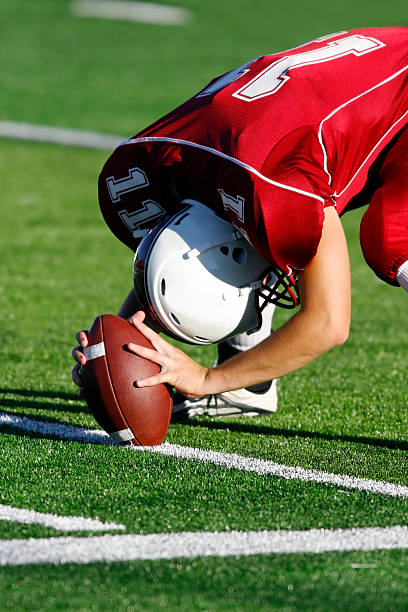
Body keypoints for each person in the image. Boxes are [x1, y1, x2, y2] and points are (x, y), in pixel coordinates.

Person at [72, 26, 408, 419]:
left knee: (394, 240)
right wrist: (119, 345)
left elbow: (328, 323)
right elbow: (168, 255)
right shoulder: (145, 172)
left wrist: (204, 380)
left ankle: (237, 383)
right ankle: (248, 386)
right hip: (371, 75)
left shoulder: (278, 190)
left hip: (379, 98)